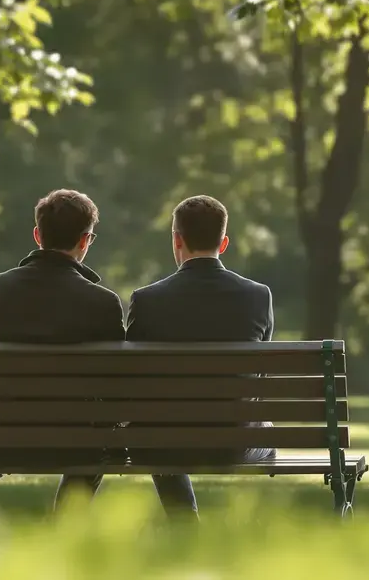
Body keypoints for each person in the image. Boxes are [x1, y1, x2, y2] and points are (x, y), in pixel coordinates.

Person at [56, 195, 276, 520]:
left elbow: (131, 377)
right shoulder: (259, 296)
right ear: (224, 242)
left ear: (177, 239)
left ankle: (183, 520)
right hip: (235, 442)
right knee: (261, 429)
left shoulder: (148, 300)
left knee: (159, 431)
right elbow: (260, 375)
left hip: (164, 442)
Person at [0, 188, 125, 498]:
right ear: (84, 240)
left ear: (38, 235)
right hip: (77, 445)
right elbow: (115, 384)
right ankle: (67, 521)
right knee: (98, 439)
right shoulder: (102, 302)